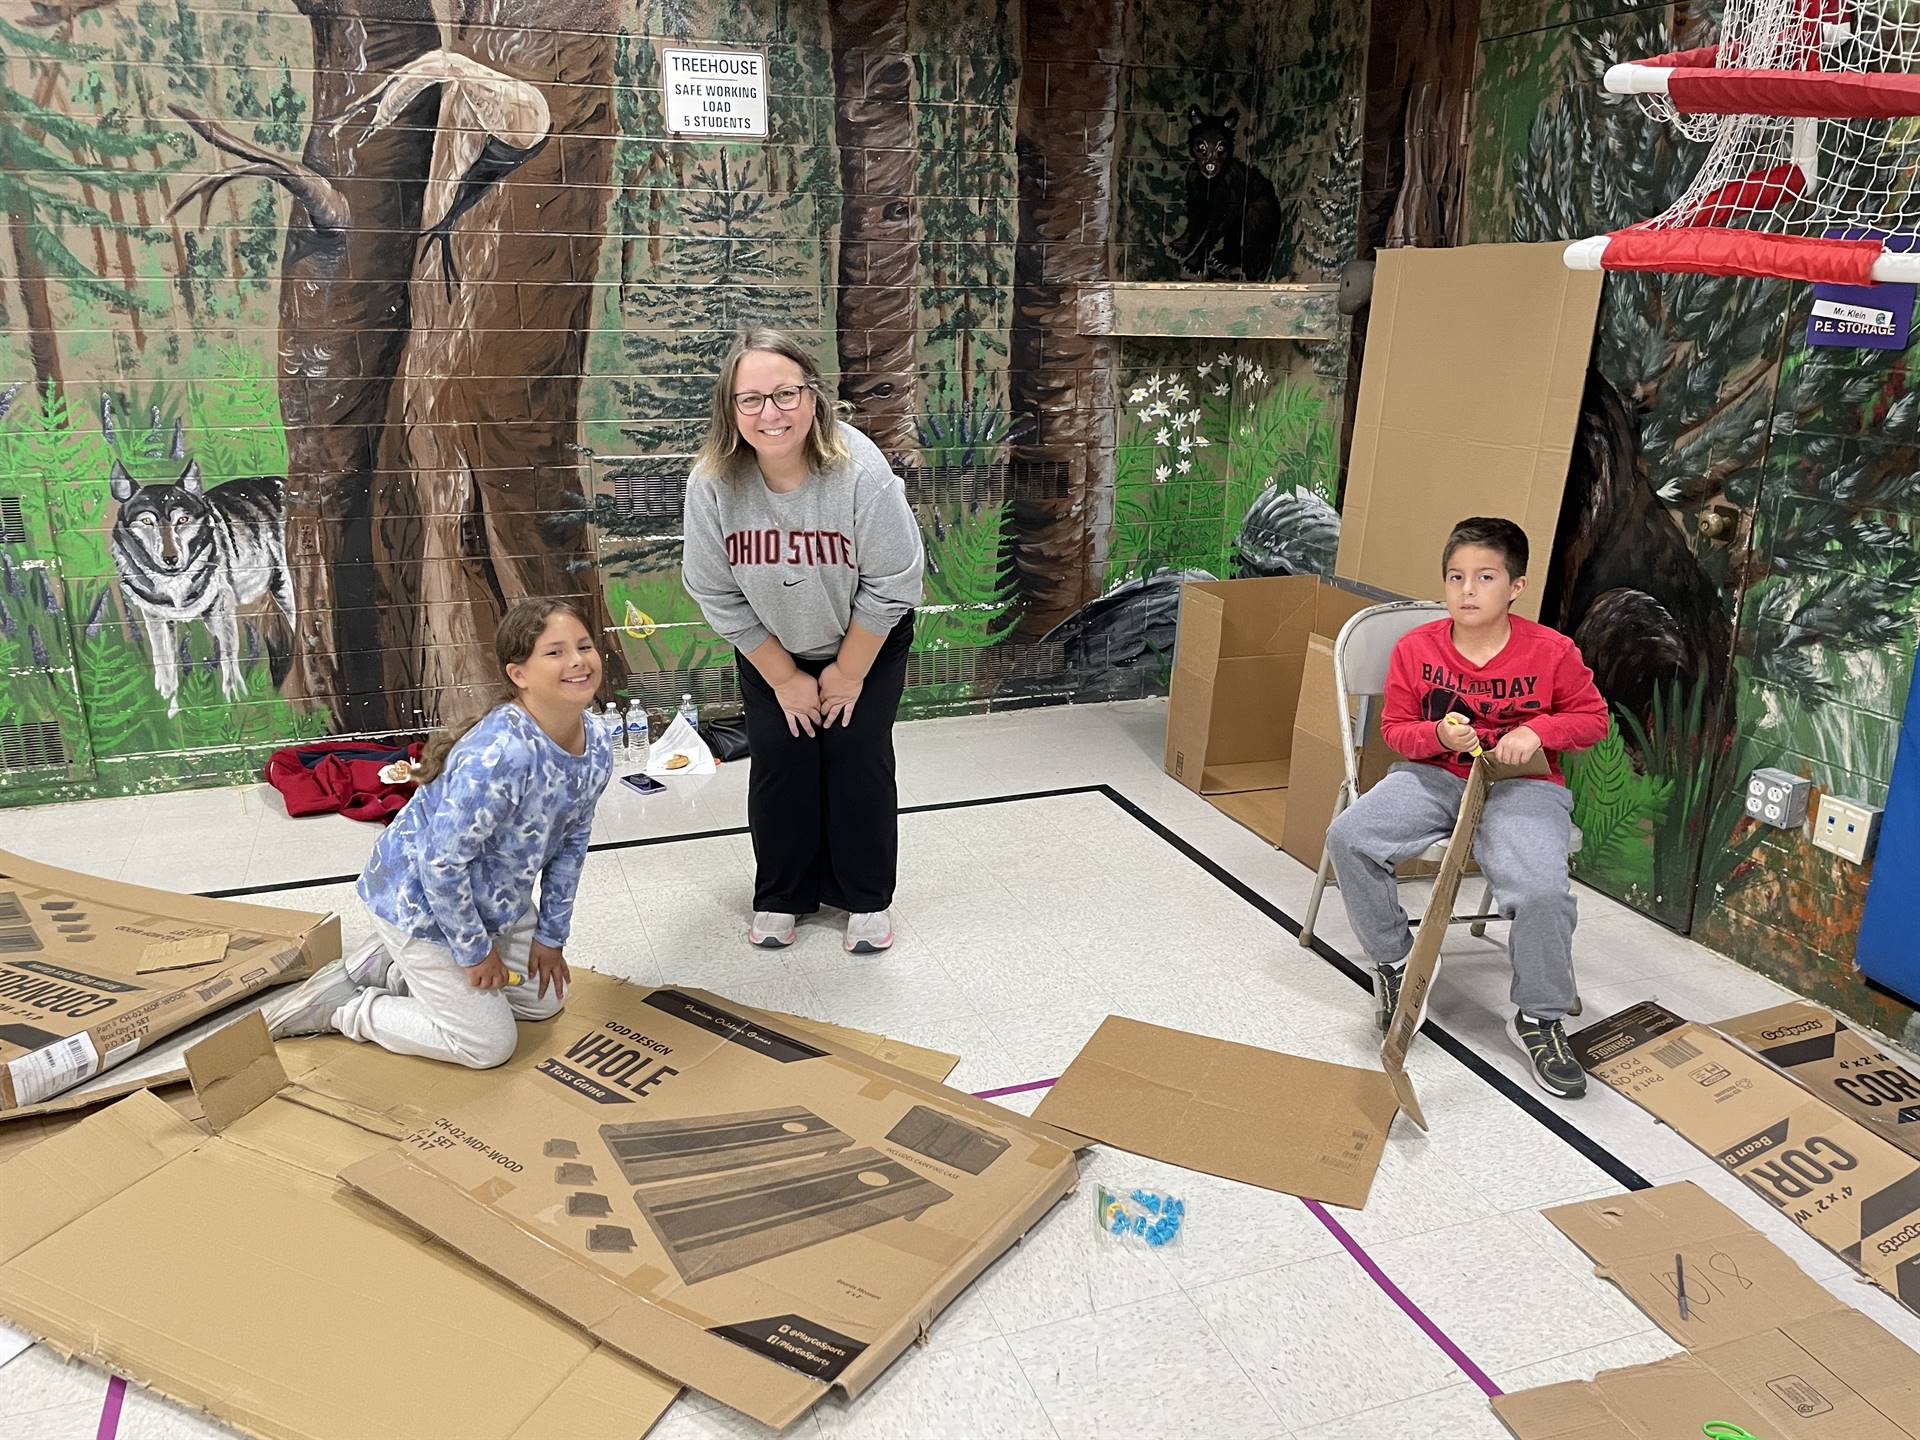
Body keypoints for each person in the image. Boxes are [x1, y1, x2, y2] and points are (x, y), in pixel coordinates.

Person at [262, 598, 615, 1068]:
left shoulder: (597, 744)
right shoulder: (498, 756)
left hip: (496, 902)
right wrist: (473, 954)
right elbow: (439, 865)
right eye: (554, 652)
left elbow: (572, 843)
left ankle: (386, 967)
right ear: (519, 674)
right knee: (487, 1045)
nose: (576, 661)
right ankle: (344, 1007)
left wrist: (552, 937)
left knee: (544, 1001)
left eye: (584, 646)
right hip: (422, 901)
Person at [1324, 517, 1608, 1099]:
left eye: (1484, 577)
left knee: (1539, 893)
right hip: (1433, 777)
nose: (1467, 591)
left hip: (1521, 786)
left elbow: (1593, 719)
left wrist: (1541, 731)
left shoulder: (1553, 652)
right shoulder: (1416, 649)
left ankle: (1540, 1016)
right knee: (1349, 837)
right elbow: (1398, 732)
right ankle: (1398, 965)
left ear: (1516, 587)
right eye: (1456, 577)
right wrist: (1438, 736)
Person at [682, 327, 925, 954]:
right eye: (751, 399)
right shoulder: (712, 483)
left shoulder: (859, 469)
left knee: (856, 756)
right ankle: (782, 895)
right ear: (730, 412)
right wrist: (785, 678)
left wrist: (846, 674)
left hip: (867, 635)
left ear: (813, 398)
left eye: (786, 394)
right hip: (772, 645)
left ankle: (866, 899)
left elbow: (896, 579)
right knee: (780, 762)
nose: (771, 413)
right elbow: (715, 592)